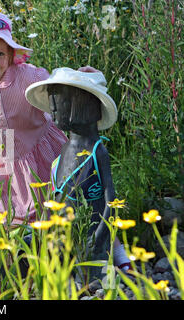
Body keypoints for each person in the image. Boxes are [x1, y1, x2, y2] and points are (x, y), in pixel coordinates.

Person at [0, 9, 97, 225]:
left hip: (42, 151)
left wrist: (80, 77)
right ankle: (22, 252)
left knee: (66, 204)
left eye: (0, 54)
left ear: (10, 55)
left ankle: (106, 249)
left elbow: (58, 86)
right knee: (7, 216)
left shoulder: (29, 76)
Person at [25, 67, 131, 278]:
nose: (53, 109)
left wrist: (100, 236)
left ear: (86, 106)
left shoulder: (96, 151)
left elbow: (111, 201)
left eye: (60, 100)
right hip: (63, 239)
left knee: (90, 280)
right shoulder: (64, 148)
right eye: (52, 101)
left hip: (91, 241)